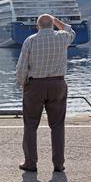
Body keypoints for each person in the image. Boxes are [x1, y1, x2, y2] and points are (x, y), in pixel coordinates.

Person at [16, 14, 76, 172]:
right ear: (53, 25)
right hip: (57, 84)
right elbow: (72, 32)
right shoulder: (63, 37)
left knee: (30, 125)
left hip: (34, 85)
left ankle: (31, 162)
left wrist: (22, 83)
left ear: (37, 26)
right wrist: (57, 21)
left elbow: (22, 66)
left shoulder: (30, 40)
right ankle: (58, 164)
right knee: (57, 126)